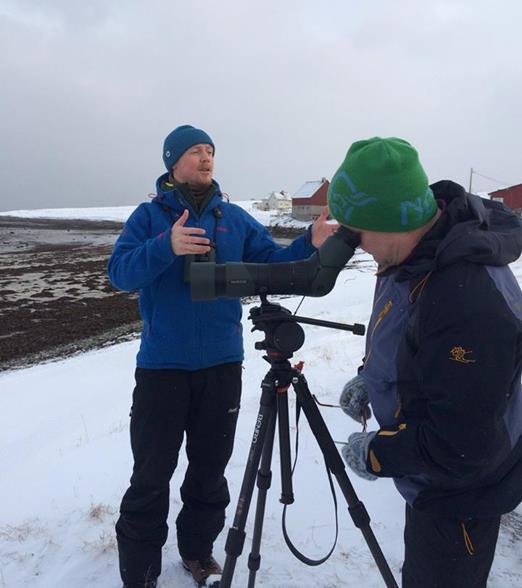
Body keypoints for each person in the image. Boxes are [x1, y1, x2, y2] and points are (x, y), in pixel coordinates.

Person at [108, 124, 338, 588]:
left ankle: (197, 552)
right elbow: (120, 273)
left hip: (221, 366)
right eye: (195, 151)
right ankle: (140, 570)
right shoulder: (148, 218)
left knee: (211, 470)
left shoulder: (232, 219)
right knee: (151, 473)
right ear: (172, 162)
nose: (206, 158)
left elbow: (271, 263)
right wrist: (165, 246)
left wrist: (308, 244)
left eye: (210, 151)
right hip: (162, 368)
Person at [327, 137, 522, 587]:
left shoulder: (464, 299)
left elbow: (463, 445)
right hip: (431, 480)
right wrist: (371, 379)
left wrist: (377, 455)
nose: (356, 245)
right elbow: (409, 341)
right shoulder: (416, 255)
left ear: (387, 219)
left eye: (357, 232)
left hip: (460, 494)